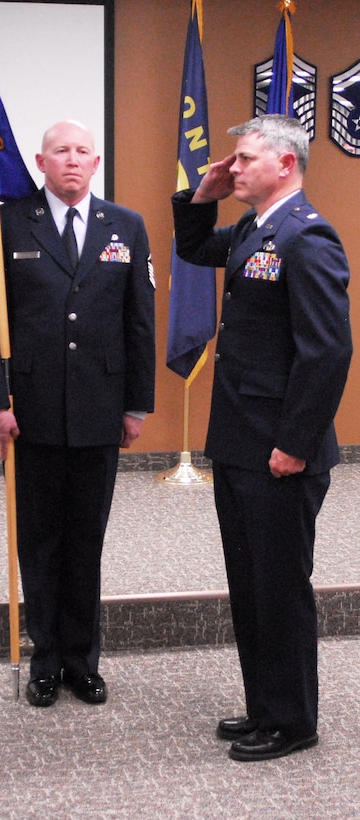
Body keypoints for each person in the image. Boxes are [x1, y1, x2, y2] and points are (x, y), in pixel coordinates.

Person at [171, 114, 352, 761]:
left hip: (280, 451)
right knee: (250, 586)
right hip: (243, 443)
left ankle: (294, 720)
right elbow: (194, 248)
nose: (234, 167)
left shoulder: (308, 238)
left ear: (286, 163)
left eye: (245, 158)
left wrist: (296, 443)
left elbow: (328, 352)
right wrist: (202, 195)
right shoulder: (255, 227)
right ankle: (263, 708)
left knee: (280, 588)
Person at [0, 120, 155, 707]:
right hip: (33, 413)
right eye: (61, 152)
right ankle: (44, 660)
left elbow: (140, 321)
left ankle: (82, 660)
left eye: (83, 153)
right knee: (41, 540)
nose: (72, 161)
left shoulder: (126, 227)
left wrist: (136, 403)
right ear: (40, 160)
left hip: (101, 411)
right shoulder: (5, 223)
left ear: (96, 164)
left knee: (86, 540)